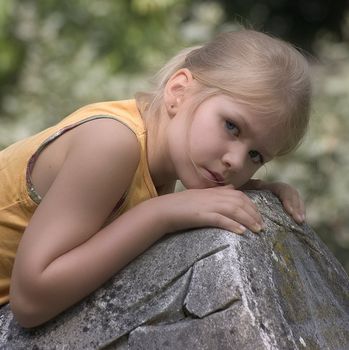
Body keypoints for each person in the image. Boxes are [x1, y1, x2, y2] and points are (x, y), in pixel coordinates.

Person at [0, 29, 311, 328]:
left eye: (256, 156)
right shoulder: (112, 144)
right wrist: (162, 214)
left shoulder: (167, 160)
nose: (236, 160)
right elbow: (29, 301)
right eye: (231, 126)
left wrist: (260, 194)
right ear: (179, 91)